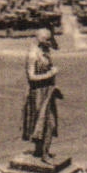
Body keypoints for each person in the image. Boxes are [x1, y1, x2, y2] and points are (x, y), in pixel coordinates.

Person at [22, 29, 61, 159]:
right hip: (38, 93)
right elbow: (31, 77)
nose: (49, 42)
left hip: (47, 91)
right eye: (47, 39)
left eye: (50, 39)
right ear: (39, 39)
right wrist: (50, 74)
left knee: (48, 123)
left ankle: (42, 152)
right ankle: (43, 153)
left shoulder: (45, 51)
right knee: (44, 123)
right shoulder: (33, 55)